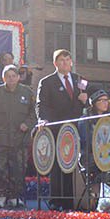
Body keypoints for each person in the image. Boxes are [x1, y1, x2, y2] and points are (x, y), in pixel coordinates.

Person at [36, 49, 88, 210]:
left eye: (67, 59)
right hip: (57, 127)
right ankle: (56, 201)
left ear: (71, 62)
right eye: (61, 60)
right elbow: (41, 104)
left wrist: (86, 100)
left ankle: (70, 200)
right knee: (58, 164)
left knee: (72, 162)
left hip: (74, 127)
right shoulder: (47, 82)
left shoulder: (79, 79)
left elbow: (88, 98)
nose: (65, 63)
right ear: (55, 63)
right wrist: (42, 119)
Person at [0, 65, 36, 207]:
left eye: (13, 76)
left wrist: (27, 124)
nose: (11, 79)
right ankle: (1, 196)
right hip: (0, 139)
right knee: (0, 170)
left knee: (19, 170)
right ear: (3, 78)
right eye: (8, 76)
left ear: (18, 77)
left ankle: (15, 196)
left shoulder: (27, 92)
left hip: (20, 139)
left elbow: (34, 114)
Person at [78, 90, 110, 209]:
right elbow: (86, 142)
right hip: (90, 156)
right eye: (101, 100)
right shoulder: (85, 120)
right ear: (94, 103)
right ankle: (100, 200)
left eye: (107, 100)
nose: (105, 103)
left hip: (108, 155)